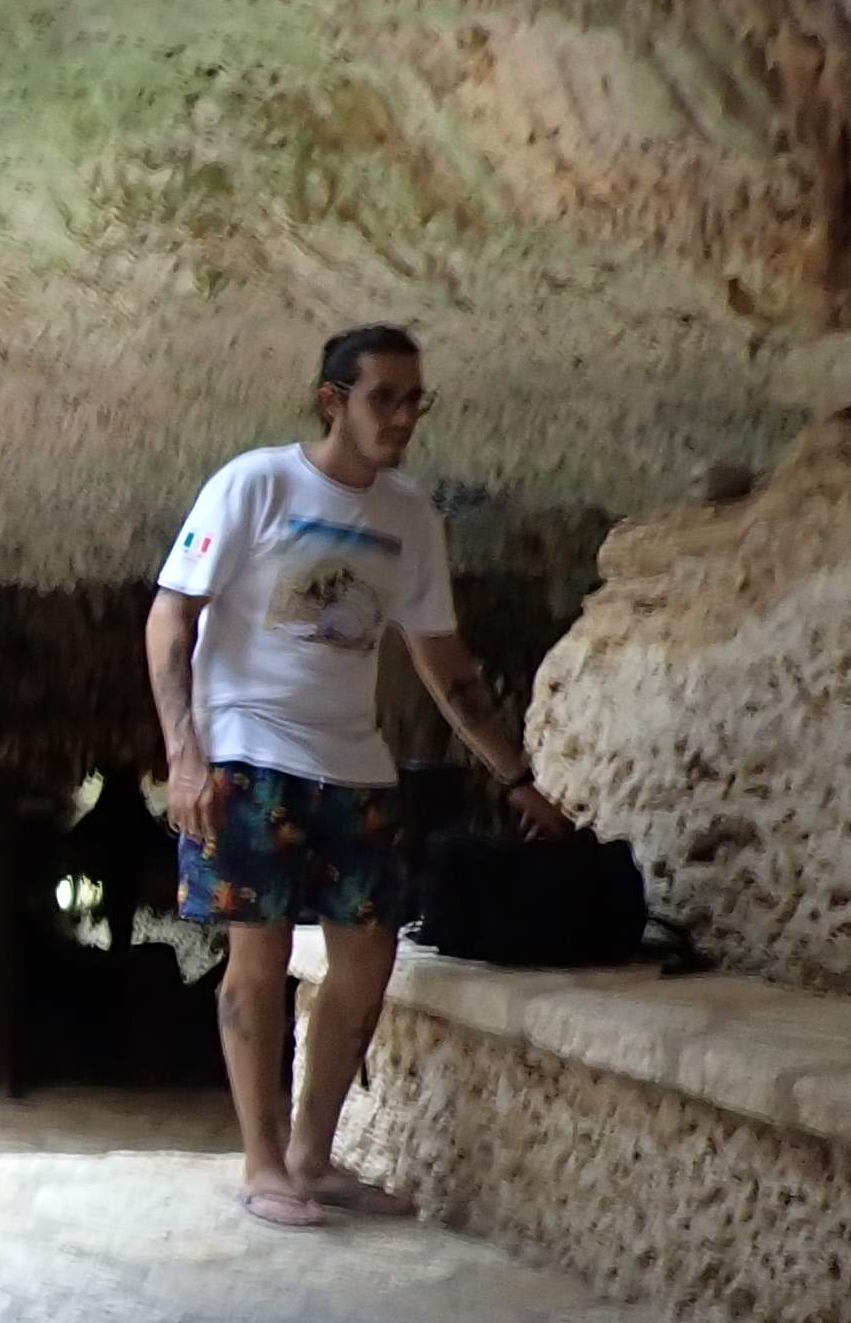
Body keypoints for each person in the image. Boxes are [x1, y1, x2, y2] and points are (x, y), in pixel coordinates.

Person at [144, 325, 575, 1228]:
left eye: (416, 400)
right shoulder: (257, 483)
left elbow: (442, 659)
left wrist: (515, 777)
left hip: (354, 763)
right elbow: (170, 618)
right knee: (258, 956)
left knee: (368, 956)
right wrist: (185, 754)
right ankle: (263, 1164)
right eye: (386, 398)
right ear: (332, 400)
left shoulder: (410, 517)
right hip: (248, 753)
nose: (404, 417)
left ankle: (314, 1154)